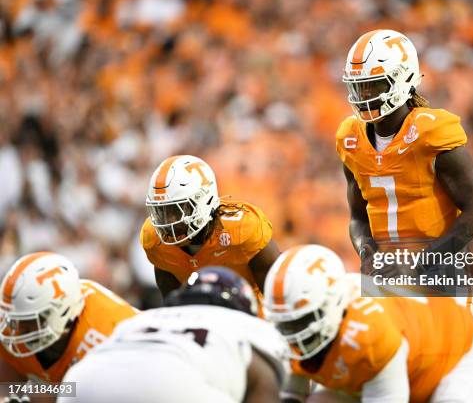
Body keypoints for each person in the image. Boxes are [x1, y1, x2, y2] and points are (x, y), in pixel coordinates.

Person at [336, 29, 473, 281]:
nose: (364, 97)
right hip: (388, 277)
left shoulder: (430, 131)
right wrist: (368, 256)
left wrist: (417, 266)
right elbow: (357, 218)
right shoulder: (350, 137)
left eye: (372, 86)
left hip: (439, 275)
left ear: (401, 78)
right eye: (358, 87)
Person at [263, 245, 473, 403]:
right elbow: (290, 395)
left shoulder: (370, 333)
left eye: (302, 321)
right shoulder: (311, 326)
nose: (294, 335)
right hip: (406, 364)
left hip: (460, 358)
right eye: (287, 325)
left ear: (334, 303)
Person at [60, 267, 287, 403]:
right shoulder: (245, 326)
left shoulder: (142, 319)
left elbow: (45, 389)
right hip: (176, 386)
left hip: (81, 383)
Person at [140, 154, 280, 299]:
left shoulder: (242, 229)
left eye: (176, 210)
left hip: (253, 317)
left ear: (203, 200)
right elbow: (174, 305)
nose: (168, 222)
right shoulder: (154, 240)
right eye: (161, 211)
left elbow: (278, 293)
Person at [0, 252, 137, 383]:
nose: (17, 329)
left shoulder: (106, 338)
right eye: (15, 320)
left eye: (28, 321)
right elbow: (9, 386)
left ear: (62, 313)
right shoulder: (13, 329)